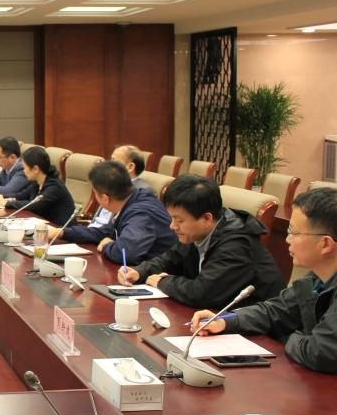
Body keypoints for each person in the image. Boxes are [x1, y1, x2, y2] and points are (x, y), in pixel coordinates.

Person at [188, 188, 337, 373]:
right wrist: (226, 321)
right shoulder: (316, 278)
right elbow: (274, 310)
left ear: (325, 244)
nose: (287, 239)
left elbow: (320, 353)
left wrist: (287, 336)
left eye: (294, 232)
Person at [119, 174, 283, 310]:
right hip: (215, 317)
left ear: (206, 218)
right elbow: (170, 259)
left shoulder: (237, 244)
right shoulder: (196, 232)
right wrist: (139, 271)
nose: (172, 226)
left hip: (254, 329)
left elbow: (202, 293)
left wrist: (163, 282)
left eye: (179, 220)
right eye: (172, 218)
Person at [54, 160, 174, 264]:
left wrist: (108, 245)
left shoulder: (141, 213)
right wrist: (62, 233)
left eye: (95, 193)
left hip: (164, 275)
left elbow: (126, 254)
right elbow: (104, 232)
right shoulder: (132, 200)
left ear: (105, 198)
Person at [4, 146, 76, 226]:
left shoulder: (54, 186)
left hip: (60, 230)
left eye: (24, 168)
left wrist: (7, 203)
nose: (23, 171)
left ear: (35, 169)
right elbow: (21, 195)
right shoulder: (37, 182)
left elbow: (35, 206)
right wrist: (0, 197)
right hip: (44, 227)